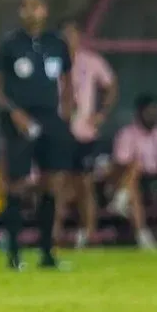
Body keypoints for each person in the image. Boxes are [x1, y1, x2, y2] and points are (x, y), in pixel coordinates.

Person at [0, 0, 75, 271]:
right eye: (25, 7)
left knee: (53, 184)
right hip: (19, 120)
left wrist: (65, 115)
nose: (30, 12)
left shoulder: (56, 43)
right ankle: (14, 253)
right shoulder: (10, 44)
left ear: (45, 11)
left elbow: (67, 81)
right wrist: (14, 112)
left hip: (50, 119)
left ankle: (47, 253)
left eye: (35, 6)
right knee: (17, 185)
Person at [63, 19, 117, 248]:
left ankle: (88, 233)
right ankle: (54, 235)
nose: (68, 40)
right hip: (59, 133)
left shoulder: (92, 62)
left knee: (85, 184)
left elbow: (111, 85)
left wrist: (101, 113)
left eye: (72, 35)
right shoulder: (51, 62)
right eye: (64, 36)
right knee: (58, 183)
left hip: (84, 133)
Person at [111, 94, 157, 249]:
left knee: (135, 182)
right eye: (149, 111)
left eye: (155, 112)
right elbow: (121, 163)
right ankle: (142, 236)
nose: (153, 115)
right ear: (140, 112)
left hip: (154, 179)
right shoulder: (127, 133)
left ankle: (120, 200)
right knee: (134, 173)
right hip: (127, 177)